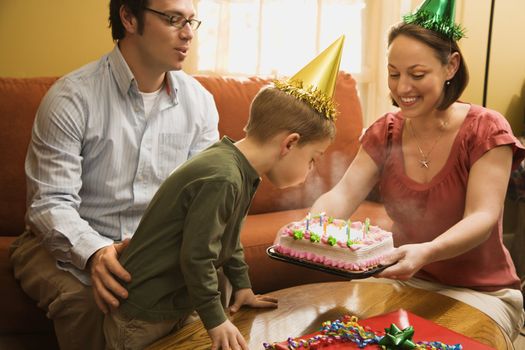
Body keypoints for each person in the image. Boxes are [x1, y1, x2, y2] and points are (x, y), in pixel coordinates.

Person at [102, 36, 345, 350]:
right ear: (289, 144)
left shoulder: (239, 169)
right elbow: (198, 257)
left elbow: (228, 241)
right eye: (313, 158)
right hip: (145, 314)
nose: (312, 170)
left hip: (175, 303)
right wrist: (216, 320)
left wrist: (242, 286)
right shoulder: (224, 178)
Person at [9, 0, 219, 349]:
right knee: (91, 303)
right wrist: (95, 253)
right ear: (128, 17)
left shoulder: (200, 103)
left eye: (191, 22)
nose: (187, 35)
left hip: (149, 247)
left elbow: (199, 202)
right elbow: (50, 203)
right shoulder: (72, 97)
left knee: (206, 289)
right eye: (173, 19)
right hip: (61, 242)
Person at [310, 0, 525, 341]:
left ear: (451, 66)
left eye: (417, 74)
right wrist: (310, 226)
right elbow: (344, 192)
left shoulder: (486, 129)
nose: (402, 87)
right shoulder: (385, 131)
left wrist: (427, 251)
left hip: (481, 292)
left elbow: (482, 218)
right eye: (394, 73)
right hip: (401, 280)